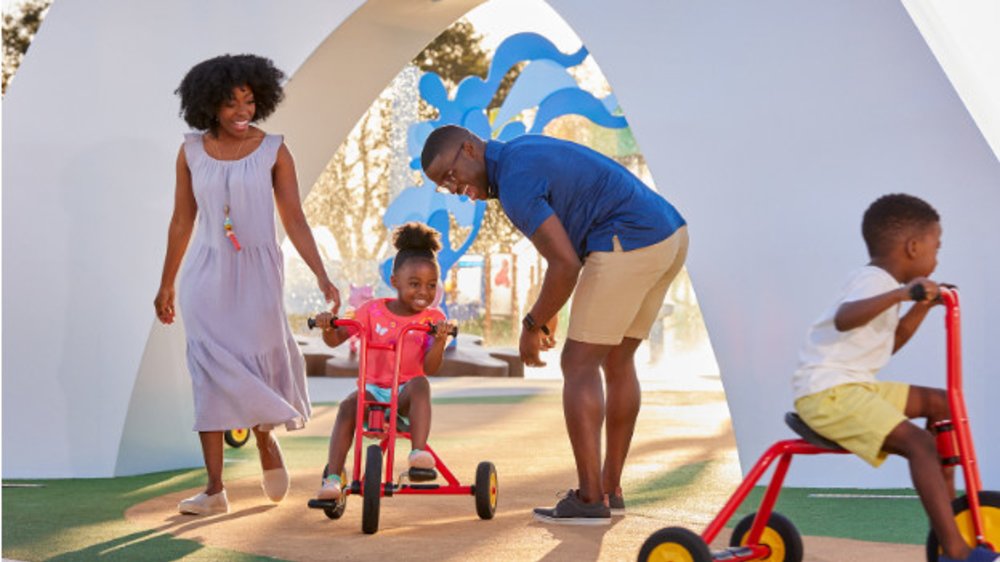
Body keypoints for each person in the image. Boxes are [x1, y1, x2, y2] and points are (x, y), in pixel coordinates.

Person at [421, 125, 688, 525]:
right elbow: (568, 256)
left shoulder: (514, 182)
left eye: (451, 175)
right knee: (617, 360)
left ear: (469, 149)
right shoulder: (521, 152)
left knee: (578, 365)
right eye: (444, 186)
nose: (455, 188)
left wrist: (532, 323)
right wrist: (548, 313)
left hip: (628, 239)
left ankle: (590, 498)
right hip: (670, 234)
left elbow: (566, 265)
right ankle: (609, 489)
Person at [154, 54, 340, 516]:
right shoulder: (190, 151)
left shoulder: (274, 149)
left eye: (250, 101)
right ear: (208, 105)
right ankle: (215, 488)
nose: (242, 111)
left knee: (257, 361)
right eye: (231, 102)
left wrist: (320, 273)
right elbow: (182, 220)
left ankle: (264, 435)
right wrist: (167, 283)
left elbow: (294, 218)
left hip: (258, 274)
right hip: (205, 274)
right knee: (207, 368)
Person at [793, 194, 996, 562]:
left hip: (854, 387)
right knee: (921, 445)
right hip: (827, 393)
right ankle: (954, 548)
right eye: (936, 248)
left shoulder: (884, 287)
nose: (937, 258)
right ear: (913, 247)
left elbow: (891, 343)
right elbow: (845, 318)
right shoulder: (872, 281)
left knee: (943, 403)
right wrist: (903, 293)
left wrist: (919, 305)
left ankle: (949, 515)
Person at [312, 222, 454, 501]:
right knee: (347, 407)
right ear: (395, 281)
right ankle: (332, 478)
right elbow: (335, 339)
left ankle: (418, 453)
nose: (423, 292)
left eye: (431, 285)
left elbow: (431, 367)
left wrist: (439, 340)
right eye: (414, 284)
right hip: (372, 392)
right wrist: (328, 326)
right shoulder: (371, 311)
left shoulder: (433, 320)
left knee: (421, 383)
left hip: (403, 398)